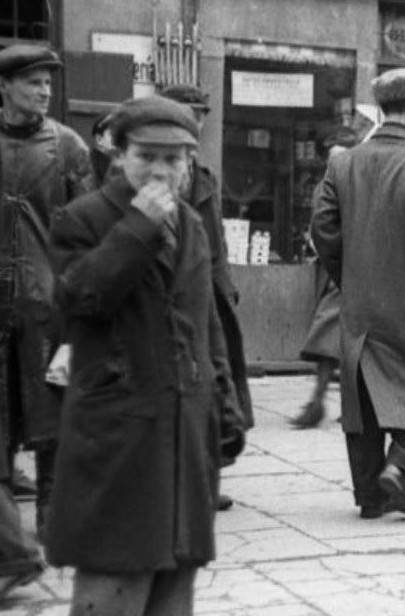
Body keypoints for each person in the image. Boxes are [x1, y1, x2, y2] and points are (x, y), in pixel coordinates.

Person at [46, 95, 239, 616]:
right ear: (118, 155)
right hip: (119, 437)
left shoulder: (192, 226)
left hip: (184, 429)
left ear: (189, 163)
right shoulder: (83, 218)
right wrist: (136, 228)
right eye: (147, 155)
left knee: (176, 586)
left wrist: (224, 402)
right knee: (114, 580)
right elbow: (79, 299)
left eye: (173, 159)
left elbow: (205, 321)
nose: (160, 169)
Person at [311, 68, 405, 519]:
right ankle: (402, 466)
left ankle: (369, 497)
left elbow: (322, 229)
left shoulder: (344, 162)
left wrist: (348, 276)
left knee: (361, 400)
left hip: (358, 304)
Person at [0, 45, 95, 542]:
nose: (43, 92)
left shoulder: (68, 146)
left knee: (50, 410)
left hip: (47, 303)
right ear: (4, 87)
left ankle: (50, 514)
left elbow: (88, 227)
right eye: (33, 82)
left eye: (48, 83)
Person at [158, 83, 251, 512]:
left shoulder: (206, 176)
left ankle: (208, 480)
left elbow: (216, 240)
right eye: (188, 113)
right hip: (166, 292)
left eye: (200, 115)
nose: (196, 122)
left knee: (217, 386)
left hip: (209, 292)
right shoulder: (155, 171)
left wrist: (226, 283)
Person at [291, 127, 360, 429]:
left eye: (342, 159)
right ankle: (332, 403)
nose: (336, 165)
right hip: (334, 269)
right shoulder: (327, 187)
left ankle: (322, 402)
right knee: (336, 339)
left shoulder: (360, 188)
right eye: (332, 159)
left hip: (353, 271)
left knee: (335, 338)